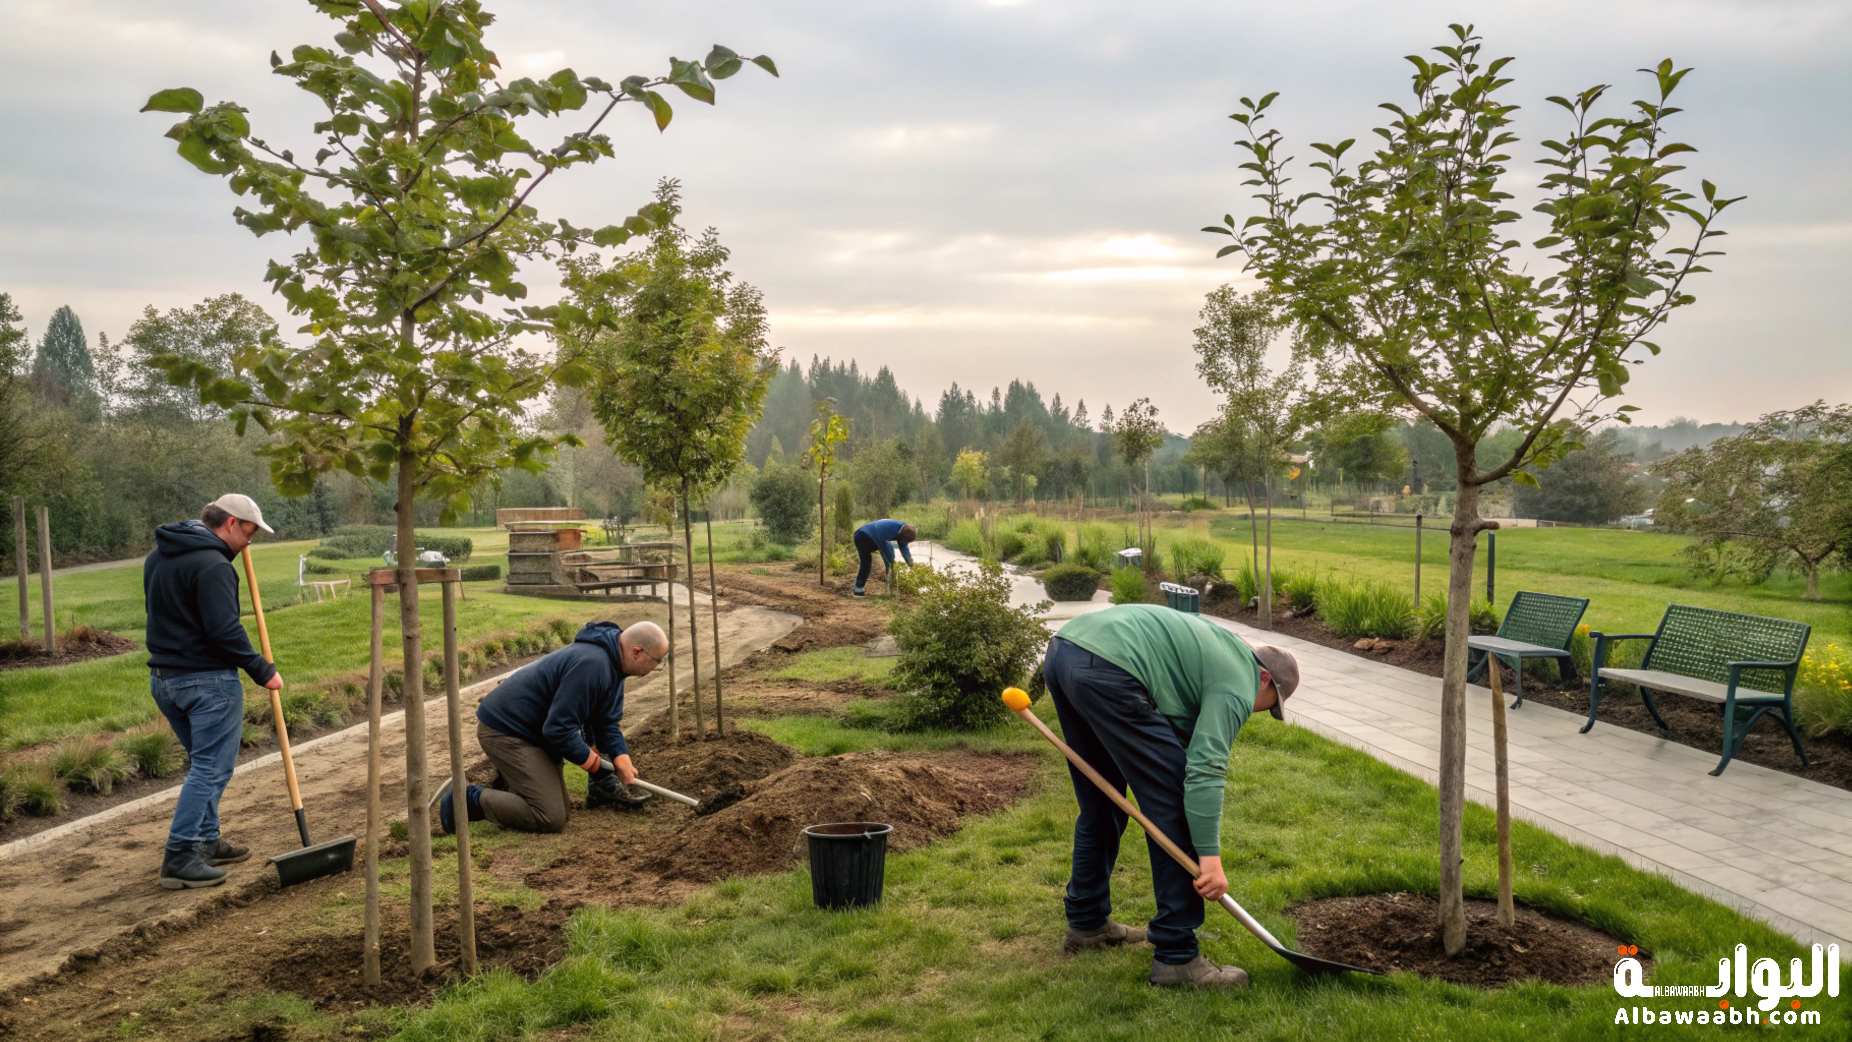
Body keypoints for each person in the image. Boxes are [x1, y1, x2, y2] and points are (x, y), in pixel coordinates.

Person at [1042, 603, 1299, 987]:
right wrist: (1209, 860)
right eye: (1268, 706)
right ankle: (1176, 957)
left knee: (1102, 804)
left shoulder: (1218, 648)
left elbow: (1174, 724)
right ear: (1264, 678)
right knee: (1175, 807)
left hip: (1067, 649)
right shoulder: (1239, 681)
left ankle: (1087, 922)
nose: (1255, 711)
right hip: (1110, 667)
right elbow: (1205, 769)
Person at [143, 494, 282, 890]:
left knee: (202, 765)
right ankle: (180, 854)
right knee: (211, 768)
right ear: (232, 523)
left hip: (165, 681)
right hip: (208, 683)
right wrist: (262, 670)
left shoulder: (158, 557)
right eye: (250, 532)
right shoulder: (214, 565)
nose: (250, 541)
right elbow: (224, 631)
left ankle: (206, 840)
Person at [441, 620, 669, 834]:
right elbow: (558, 729)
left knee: (562, 809)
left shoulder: (614, 665)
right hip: (507, 730)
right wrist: (595, 766)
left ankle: (510, 787)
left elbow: (607, 721)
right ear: (637, 652)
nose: (655, 667)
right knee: (549, 816)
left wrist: (621, 756)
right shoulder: (593, 665)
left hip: (534, 733)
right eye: (657, 661)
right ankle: (466, 798)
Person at [851, 519, 916, 596]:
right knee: (866, 561)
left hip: (875, 536)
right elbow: (887, 556)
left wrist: (912, 566)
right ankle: (858, 587)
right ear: (902, 536)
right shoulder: (888, 530)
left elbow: (905, 550)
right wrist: (891, 569)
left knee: (891, 563)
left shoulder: (906, 530)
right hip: (863, 536)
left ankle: (890, 588)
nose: (905, 542)